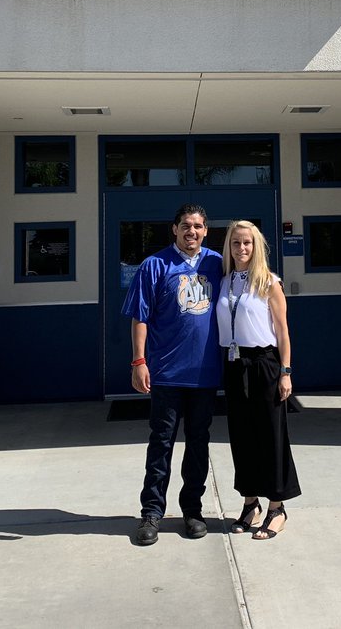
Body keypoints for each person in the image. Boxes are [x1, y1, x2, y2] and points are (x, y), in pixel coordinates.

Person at [123, 203, 223, 546]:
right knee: (161, 444)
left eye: (197, 225)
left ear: (206, 230)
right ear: (175, 229)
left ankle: (192, 511)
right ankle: (151, 513)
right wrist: (139, 361)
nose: (191, 231)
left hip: (204, 375)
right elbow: (140, 317)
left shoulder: (218, 263)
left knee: (198, 444)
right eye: (185, 225)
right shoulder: (154, 265)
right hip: (165, 373)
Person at [215, 219, 301, 540]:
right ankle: (251, 503)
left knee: (271, 436)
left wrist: (286, 371)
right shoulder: (225, 282)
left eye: (247, 243)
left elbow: (283, 332)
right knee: (241, 435)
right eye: (236, 243)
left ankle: (277, 506)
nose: (242, 248)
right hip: (235, 365)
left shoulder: (269, 283)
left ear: (257, 246)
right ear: (229, 246)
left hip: (265, 364)